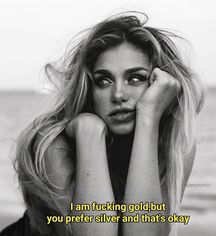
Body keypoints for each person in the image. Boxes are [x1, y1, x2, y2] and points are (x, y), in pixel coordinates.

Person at [1, 12, 205, 236]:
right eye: (103, 81)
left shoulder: (177, 146)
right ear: (88, 89)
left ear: (160, 85)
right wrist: (90, 133)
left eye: (135, 78)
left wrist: (148, 118)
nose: (118, 94)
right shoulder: (53, 143)